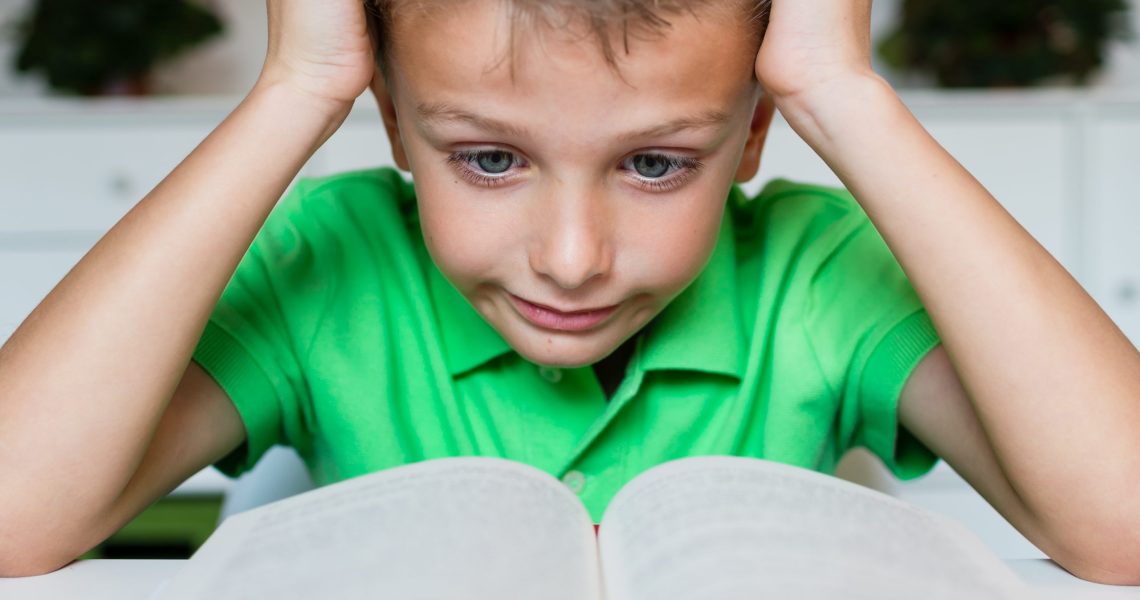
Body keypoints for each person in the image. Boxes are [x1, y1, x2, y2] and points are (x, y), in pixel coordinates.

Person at [1, 0, 1138, 583]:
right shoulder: (333, 264)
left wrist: (843, 91)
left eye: (657, 164)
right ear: (393, 121)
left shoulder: (816, 272)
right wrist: (294, 91)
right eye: (490, 159)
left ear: (753, 133)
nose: (573, 256)